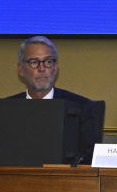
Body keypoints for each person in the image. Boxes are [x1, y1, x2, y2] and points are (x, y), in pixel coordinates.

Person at [7, 35, 102, 164]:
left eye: (48, 62)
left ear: (55, 67)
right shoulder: (5, 109)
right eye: (34, 62)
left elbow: (88, 161)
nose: (42, 69)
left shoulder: (83, 108)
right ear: (20, 69)